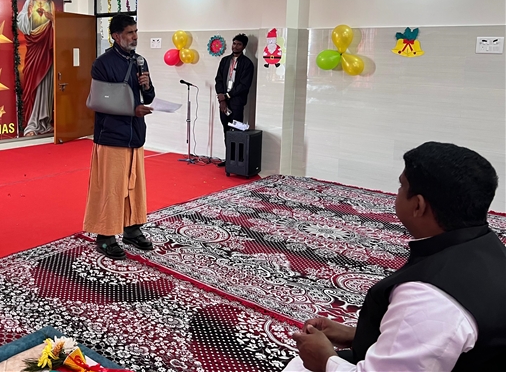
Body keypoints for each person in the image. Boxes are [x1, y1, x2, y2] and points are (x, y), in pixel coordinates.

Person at [286, 142, 506, 372]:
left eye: (401, 186)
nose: (397, 193)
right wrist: (356, 335)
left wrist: (325, 361)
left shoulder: (428, 298)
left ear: (418, 205)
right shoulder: (486, 249)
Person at [83, 14, 155, 260]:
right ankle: (105, 236)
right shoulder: (102, 64)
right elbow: (100, 101)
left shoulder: (140, 61)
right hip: (112, 136)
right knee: (111, 188)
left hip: (135, 134)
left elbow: (149, 97)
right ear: (116, 36)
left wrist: (146, 86)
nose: (135, 37)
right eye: (129, 33)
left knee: (134, 186)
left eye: (136, 31)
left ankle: (132, 229)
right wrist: (132, 110)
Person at [17, 0, 56, 136]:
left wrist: (52, 18)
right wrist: (27, 14)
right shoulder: (30, 2)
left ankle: (45, 121)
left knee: (46, 84)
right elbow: (21, 22)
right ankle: (33, 123)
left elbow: (58, 24)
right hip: (35, 48)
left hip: (47, 49)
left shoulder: (51, 3)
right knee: (34, 82)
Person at [214, 33, 254, 167]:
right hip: (223, 102)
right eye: (234, 43)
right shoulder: (225, 61)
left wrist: (227, 96)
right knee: (226, 130)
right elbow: (219, 80)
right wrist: (222, 99)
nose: (235, 46)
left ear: (244, 46)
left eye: (239, 44)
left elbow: (244, 85)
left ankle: (238, 160)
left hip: (236, 102)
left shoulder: (247, 63)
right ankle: (229, 159)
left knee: (236, 131)